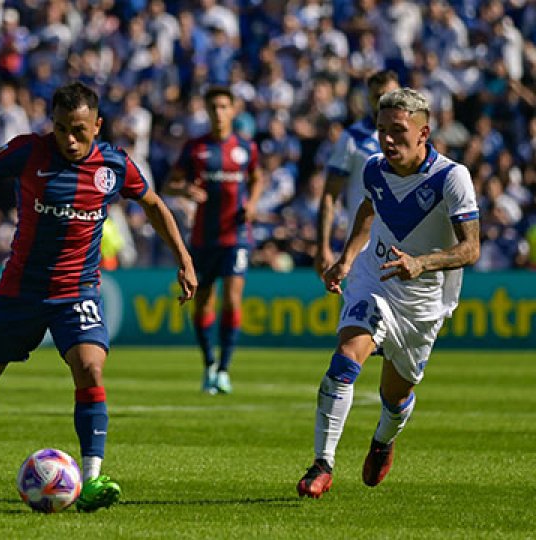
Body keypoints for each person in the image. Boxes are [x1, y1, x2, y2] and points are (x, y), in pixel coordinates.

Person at [0, 82, 197, 512]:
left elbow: (153, 204)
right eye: (61, 129)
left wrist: (184, 258)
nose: (70, 139)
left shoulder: (114, 166)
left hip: (77, 291)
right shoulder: (29, 151)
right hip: (19, 291)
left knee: (90, 368)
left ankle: (94, 477)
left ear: (97, 126)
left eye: (79, 130)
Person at [297, 88, 480, 498]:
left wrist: (422, 263)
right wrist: (345, 260)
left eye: (398, 130)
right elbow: (368, 209)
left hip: (422, 301)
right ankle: (321, 464)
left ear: (424, 133)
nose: (388, 140)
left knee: (395, 396)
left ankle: (383, 440)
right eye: (382, 130)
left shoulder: (452, 177)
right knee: (345, 359)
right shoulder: (375, 169)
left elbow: (471, 248)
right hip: (374, 281)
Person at [163, 86, 264, 395]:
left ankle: (224, 369)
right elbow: (169, 185)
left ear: (233, 110)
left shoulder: (246, 148)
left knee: (233, 299)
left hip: (236, 237)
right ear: (207, 111)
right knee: (203, 302)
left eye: (224, 106)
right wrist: (186, 192)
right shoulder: (195, 148)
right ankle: (208, 363)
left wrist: (253, 203)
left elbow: (257, 178)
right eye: (214, 107)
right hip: (203, 238)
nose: (219, 112)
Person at [314, 70, 400, 277]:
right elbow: (329, 195)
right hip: (362, 248)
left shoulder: (413, 138)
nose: (383, 102)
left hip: (404, 245)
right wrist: (323, 245)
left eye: (389, 95)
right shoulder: (352, 138)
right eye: (377, 96)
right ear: (368, 98)